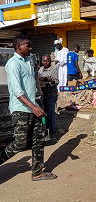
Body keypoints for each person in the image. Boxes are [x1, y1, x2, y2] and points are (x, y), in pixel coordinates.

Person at [0, 35, 57, 181]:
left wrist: (37, 105)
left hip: (34, 106)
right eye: (28, 45)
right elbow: (17, 91)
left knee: (39, 139)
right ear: (19, 46)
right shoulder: (13, 64)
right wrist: (33, 107)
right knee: (20, 142)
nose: (31, 48)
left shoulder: (30, 61)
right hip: (21, 109)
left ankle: (37, 172)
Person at [38, 55, 59, 134]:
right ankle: (45, 128)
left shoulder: (53, 70)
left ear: (50, 62)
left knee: (50, 113)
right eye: (44, 61)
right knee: (43, 113)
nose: (45, 63)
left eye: (47, 61)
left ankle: (52, 130)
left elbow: (56, 81)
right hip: (43, 94)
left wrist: (51, 80)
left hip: (51, 94)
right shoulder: (40, 70)